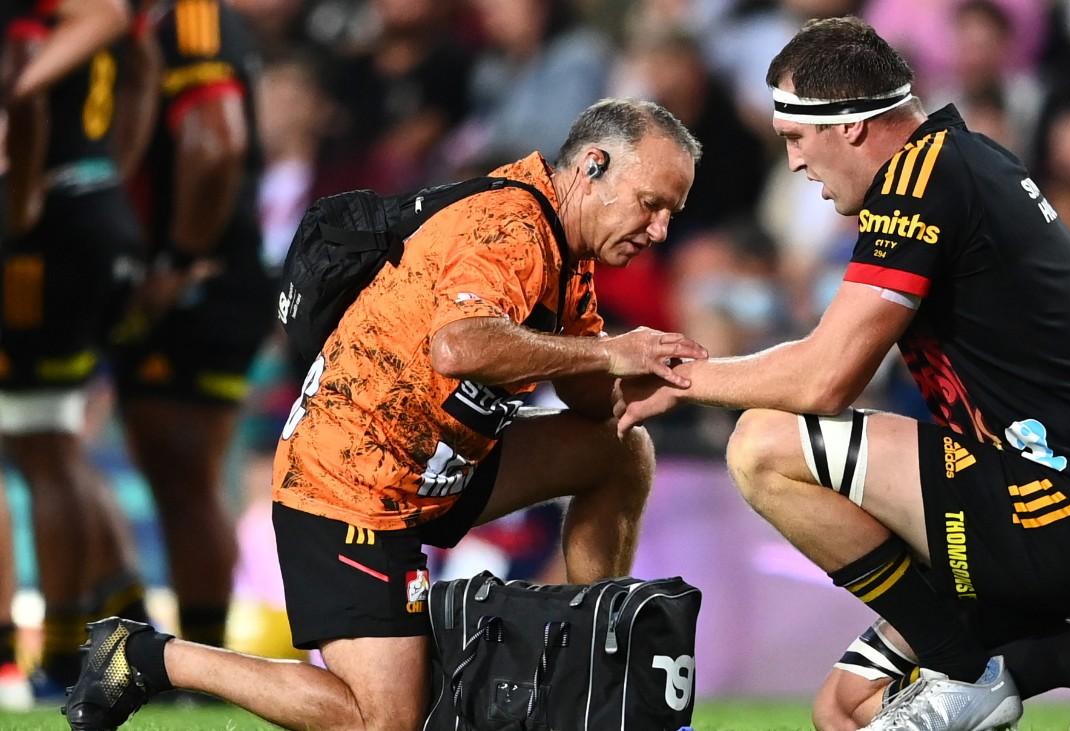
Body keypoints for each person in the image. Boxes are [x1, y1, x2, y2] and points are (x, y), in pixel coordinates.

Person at [615, 18, 1070, 731]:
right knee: (846, 706)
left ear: (852, 127)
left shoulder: (925, 179)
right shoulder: (965, 160)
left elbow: (823, 378)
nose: (796, 163)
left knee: (763, 445)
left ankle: (975, 669)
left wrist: (670, 374)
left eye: (796, 137)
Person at [63, 97, 704, 731]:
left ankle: (587, 664)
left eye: (671, 213)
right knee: (383, 722)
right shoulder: (506, 224)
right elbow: (459, 345)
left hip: (441, 464)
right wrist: (610, 351)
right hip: (349, 486)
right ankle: (146, 655)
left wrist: (646, 379)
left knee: (620, 448)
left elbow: (590, 398)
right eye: (652, 205)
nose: (659, 231)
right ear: (591, 166)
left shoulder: (569, 248)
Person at [110, 0, 276, 655]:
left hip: (199, 277)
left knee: (185, 474)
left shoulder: (194, 16)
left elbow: (218, 141)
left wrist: (176, 261)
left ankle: (204, 659)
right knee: (166, 470)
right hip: (165, 276)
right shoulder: (156, 21)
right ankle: (140, 640)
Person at [0, 0, 153, 697]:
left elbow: (23, 89)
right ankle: (126, 621)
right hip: (96, 209)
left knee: (41, 444)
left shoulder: (33, 21)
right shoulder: (97, 18)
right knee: (50, 443)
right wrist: (109, 174)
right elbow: (138, 58)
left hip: (51, 228)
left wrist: (25, 203)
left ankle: (59, 657)